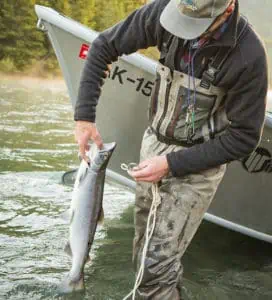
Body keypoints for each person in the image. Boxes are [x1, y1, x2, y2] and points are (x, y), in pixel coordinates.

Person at [74, 0, 268, 299]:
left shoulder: (249, 55)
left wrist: (172, 164)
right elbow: (103, 46)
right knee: (143, 254)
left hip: (199, 164)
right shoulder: (162, 12)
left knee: (156, 265)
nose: (185, 32)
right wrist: (84, 117)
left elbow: (244, 138)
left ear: (228, 10)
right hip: (153, 146)